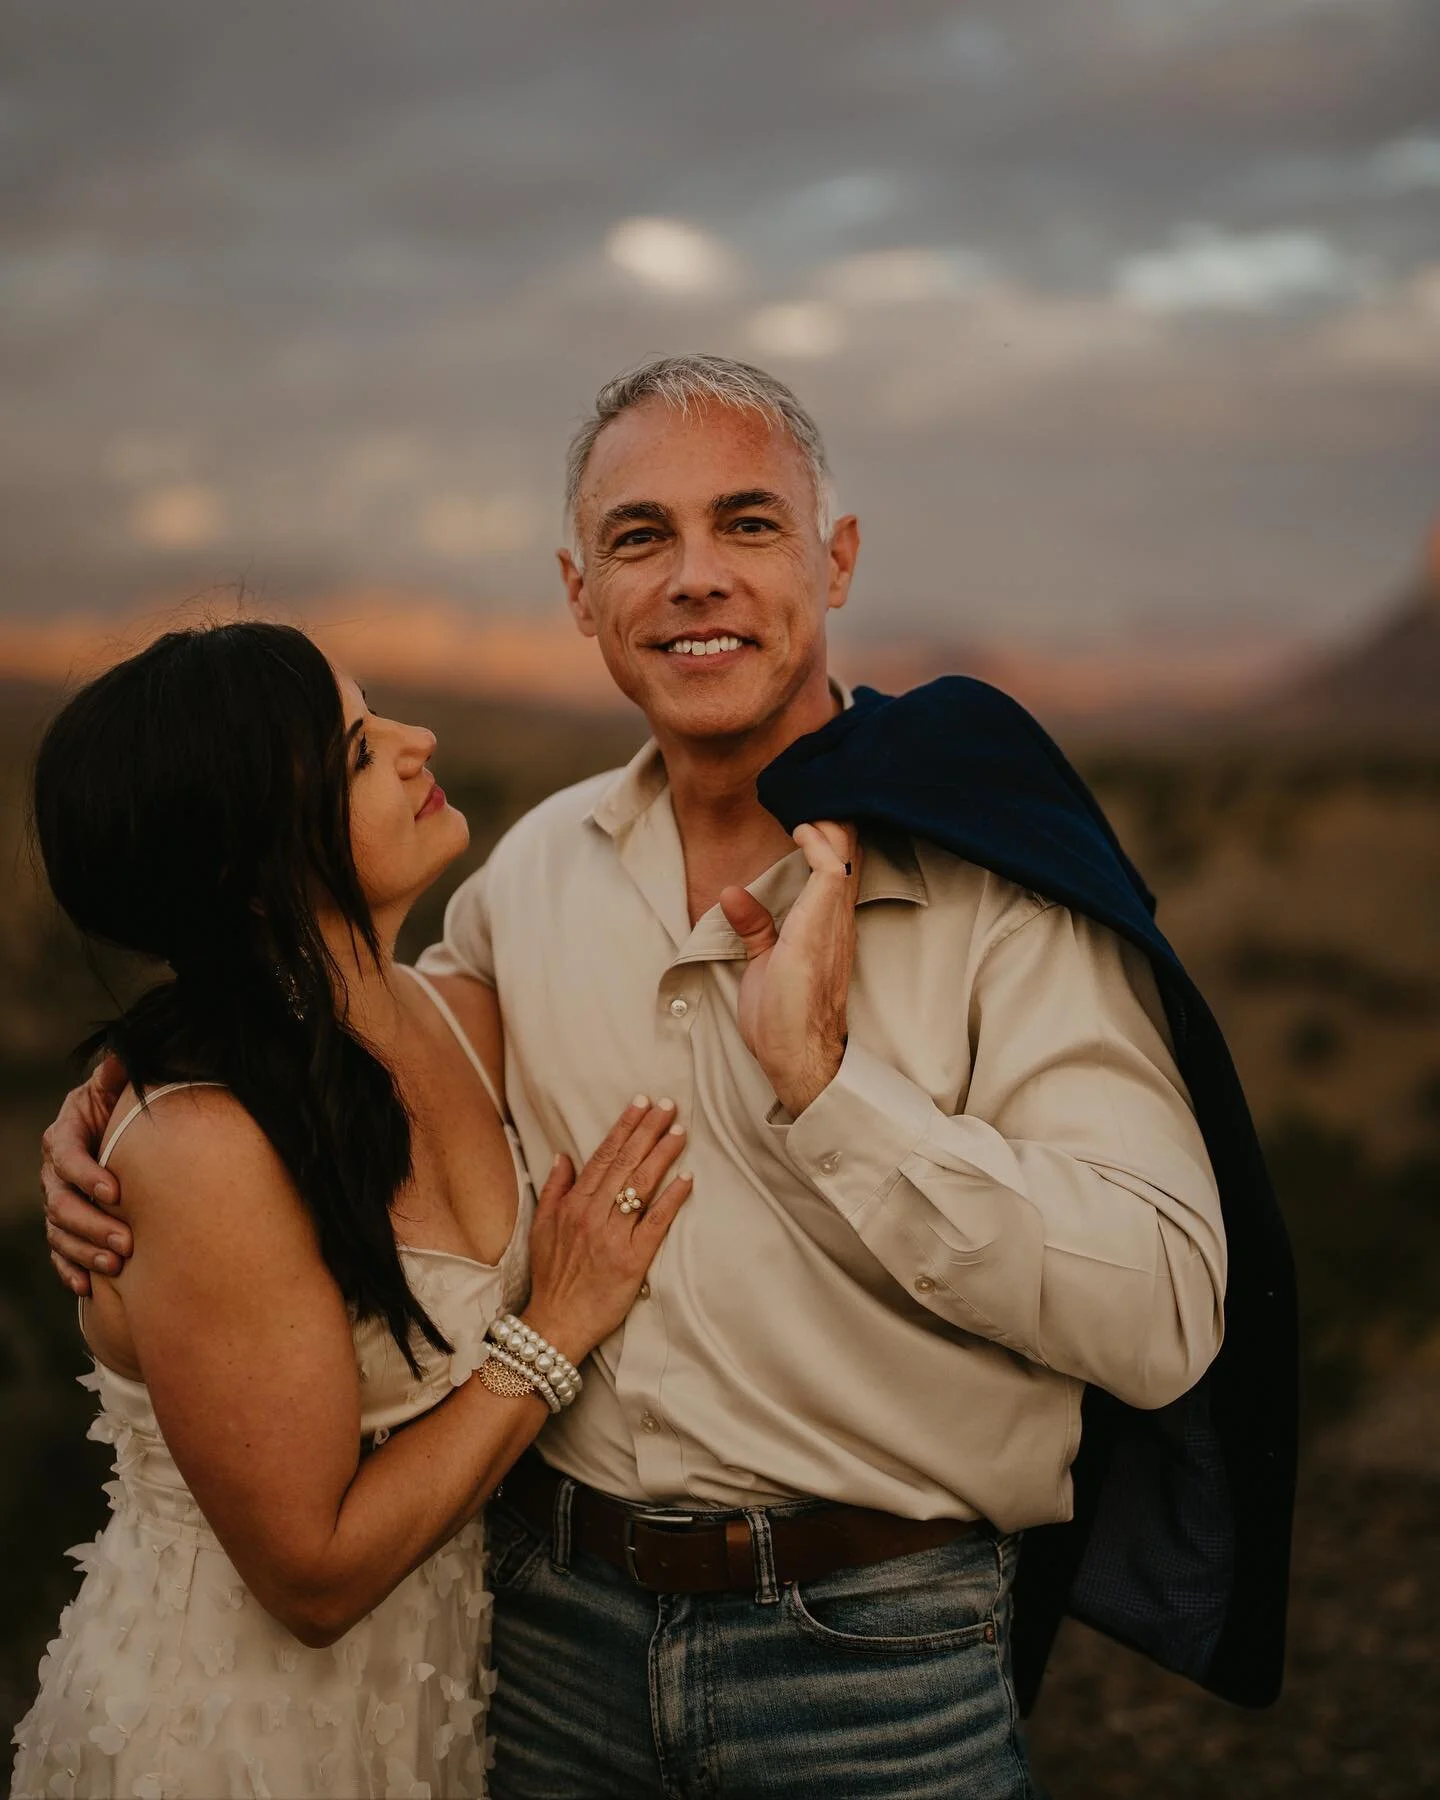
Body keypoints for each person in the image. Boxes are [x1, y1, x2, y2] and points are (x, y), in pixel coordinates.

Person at [43, 355, 1268, 1800]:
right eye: (641, 538)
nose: (695, 578)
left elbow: (1168, 1313)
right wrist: (131, 1098)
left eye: (748, 525)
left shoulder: (998, 888)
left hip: (875, 1662)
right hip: (542, 1650)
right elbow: (331, 1045)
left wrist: (830, 1095)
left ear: (840, 558)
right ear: (582, 594)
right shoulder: (532, 875)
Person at [14, 620, 692, 1800]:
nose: (420, 743)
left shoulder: (452, 1016)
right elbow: (312, 1578)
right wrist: (560, 1326)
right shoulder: (204, 1148)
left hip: (432, 1702)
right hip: (232, 1740)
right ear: (242, 858)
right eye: (360, 751)